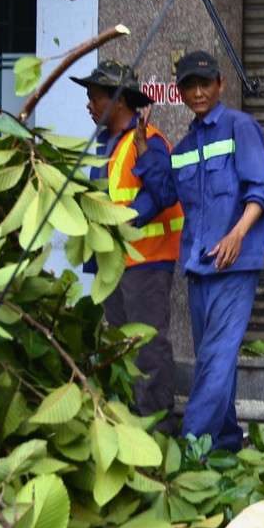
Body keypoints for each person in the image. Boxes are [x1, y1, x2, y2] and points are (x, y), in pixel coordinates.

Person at [131, 51, 264, 452]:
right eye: (189, 86)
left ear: (220, 85)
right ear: (179, 93)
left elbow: (262, 191)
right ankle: (225, 442)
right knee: (215, 361)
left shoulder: (240, 127)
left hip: (235, 265)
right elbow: (164, 193)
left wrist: (237, 235)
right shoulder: (183, 147)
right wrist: (142, 144)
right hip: (199, 269)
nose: (198, 93)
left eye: (205, 84)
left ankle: (191, 449)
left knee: (213, 359)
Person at [70, 60, 185, 430]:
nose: (89, 105)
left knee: (146, 345)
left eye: (95, 97)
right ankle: (134, 425)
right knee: (123, 346)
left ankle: (158, 429)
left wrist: (125, 220)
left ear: (118, 101)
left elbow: (164, 192)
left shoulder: (147, 140)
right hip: (115, 262)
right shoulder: (106, 143)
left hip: (145, 262)